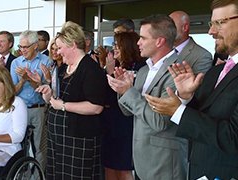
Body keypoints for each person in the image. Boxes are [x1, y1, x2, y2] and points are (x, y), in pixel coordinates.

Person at [145, 0, 238, 179]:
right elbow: (203, 116)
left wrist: (178, 111)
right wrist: (185, 97)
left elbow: (232, 137)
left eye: (220, 22)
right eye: (212, 23)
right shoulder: (216, 71)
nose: (211, 31)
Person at [106, 14, 187, 180]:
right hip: (140, 158)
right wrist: (122, 90)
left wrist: (129, 92)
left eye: (143, 38)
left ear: (159, 41)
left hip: (163, 162)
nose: (138, 42)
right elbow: (127, 112)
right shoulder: (144, 70)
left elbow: (159, 121)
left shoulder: (177, 72)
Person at [36, 21, 106, 179]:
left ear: (73, 45)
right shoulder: (61, 69)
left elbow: (95, 107)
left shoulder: (91, 70)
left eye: (60, 48)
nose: (58, 52)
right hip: (57, 137)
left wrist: (63, 106)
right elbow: (55, 99)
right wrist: (48, 94)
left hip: (79, 139)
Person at [102, 32, 146, 180]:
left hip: (127, 124)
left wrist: (112, 75)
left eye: (117, 45)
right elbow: (105, 97)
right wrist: (108, 72)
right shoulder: (114, 66)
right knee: (109, 165)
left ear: (127, 47)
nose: (114, 49)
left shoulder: (141, 68)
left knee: (124, 167)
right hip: (110, 123)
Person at [10, 30, 52, 170]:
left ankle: (38, 175)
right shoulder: (16, 63)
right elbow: (13, 92)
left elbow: (46, 90)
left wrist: (31, 79)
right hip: (20, 110)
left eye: (26, 47)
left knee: (39, 147)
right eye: (20, 47)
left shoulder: (46, 62)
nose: (22, 50)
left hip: (39, 109)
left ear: (35, 45)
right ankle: (22, 174)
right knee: (19, 146)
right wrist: (23, 80)